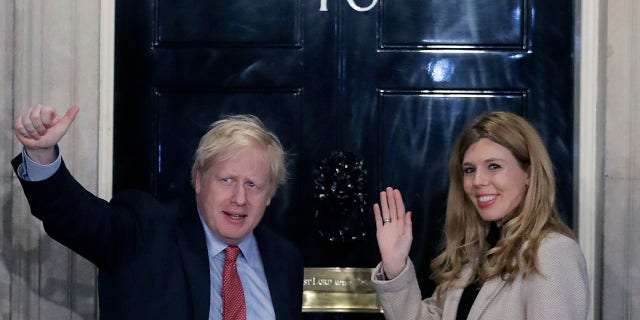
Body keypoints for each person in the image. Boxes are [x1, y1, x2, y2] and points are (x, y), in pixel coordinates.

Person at [12, 104, 303, 320]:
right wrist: (42, 156)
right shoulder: (146, 230)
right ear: (199, 180)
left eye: (253, 185)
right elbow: (75, 217)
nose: (240, 198)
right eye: (227, 180)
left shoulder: (284, 259)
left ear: (269, 195)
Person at [371, 111, 589, 319]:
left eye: (493, 166)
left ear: (529, 174)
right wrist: (395, 268)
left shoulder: (552, 251)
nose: (478, 181)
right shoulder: (474, 253)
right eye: (469, 170)